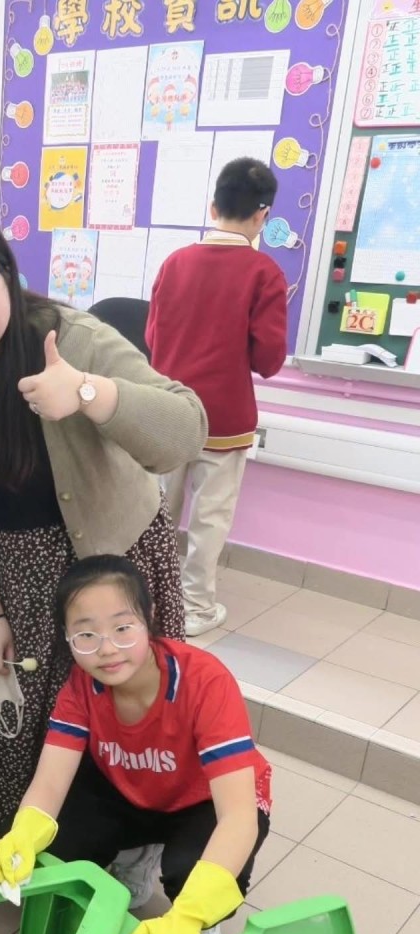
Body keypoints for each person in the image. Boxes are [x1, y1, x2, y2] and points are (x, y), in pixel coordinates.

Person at [0, 203, 207, 831]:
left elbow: (185, 430)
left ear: (6, 275)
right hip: (16, 581)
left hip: (115, 566)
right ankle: (22, 843)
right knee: (7, 721)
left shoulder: (69, 339)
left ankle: (128, 843)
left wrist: (89, 392)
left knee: (123, 714)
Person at [0, 555, 271, 934]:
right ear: (67, 637)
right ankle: (140, 851)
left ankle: (199, 923)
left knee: (192, 875)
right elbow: (50, 784)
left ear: (149, 618)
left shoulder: (205, 681)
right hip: (127, 788)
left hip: (203, 801)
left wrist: (191, 915)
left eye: (123, 628)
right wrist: (21, 836)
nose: (107, 649)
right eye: (86, 634)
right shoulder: (80, 686)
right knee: (43, 846)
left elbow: (238, 817)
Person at [147, 158, 288, 637]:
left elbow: (153, 337)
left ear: (213, 207)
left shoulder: (175, 262)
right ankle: (195, 609)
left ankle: (149, 600)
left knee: (156, 512)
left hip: (168, 409)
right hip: (225, 418)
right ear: (262, 215)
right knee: (209, 518)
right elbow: (268, 359)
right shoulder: (264, 272)